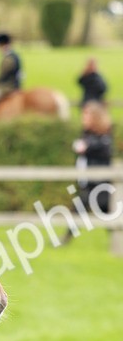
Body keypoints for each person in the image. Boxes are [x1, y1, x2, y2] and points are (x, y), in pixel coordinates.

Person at [60, 100, 114, 242]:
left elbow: (102, 149)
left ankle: (65, 239)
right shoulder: (86, 134)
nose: (83, 119)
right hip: (88, 184)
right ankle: (66, 239)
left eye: (87, 116)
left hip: (100, 185)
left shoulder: (103, 137)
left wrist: (87, 146)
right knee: (84, 209)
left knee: (108, 213)